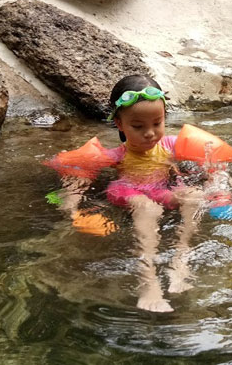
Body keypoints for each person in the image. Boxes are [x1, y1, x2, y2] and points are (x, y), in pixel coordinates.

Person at [56, 74, 204, 313]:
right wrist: (71, 202)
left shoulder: (172, 145)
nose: (149, 133)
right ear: (119, 124)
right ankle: (148, 280)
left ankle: (181, 258)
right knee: (147, 207)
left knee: (194, 195)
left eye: (157, 123)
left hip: (163, 190)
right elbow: (77, 169)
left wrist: (219, 181)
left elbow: (211, 160)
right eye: (138, 126)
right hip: (129, 190)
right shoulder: (117, 155)